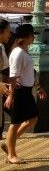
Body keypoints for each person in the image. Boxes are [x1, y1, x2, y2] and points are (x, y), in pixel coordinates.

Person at [3, 24, 47, 164]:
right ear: (26, 36)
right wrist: (11, 95)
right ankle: (11, 154)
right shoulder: (18, 53)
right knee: (15, 123)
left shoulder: (24, 51)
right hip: (19, 91)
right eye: (32, 35)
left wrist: (38, 87)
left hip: (26, 91)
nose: (34, 37)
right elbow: (13, 76)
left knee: (32, 119)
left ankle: (9, 144)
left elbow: (29, 73)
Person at [0, 19, 12, 151]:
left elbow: (3, 70)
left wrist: (8, 82)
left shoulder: (1, 47)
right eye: (8, 31)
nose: (10, 34)